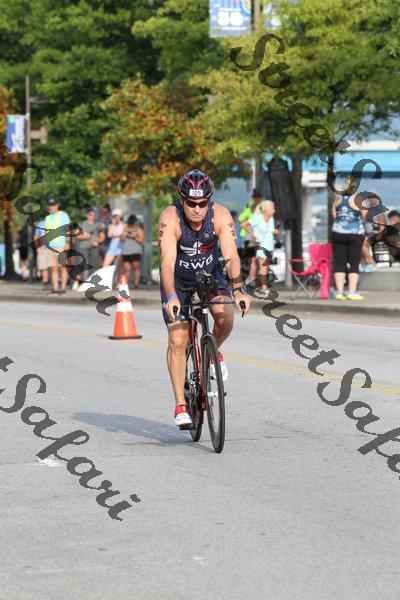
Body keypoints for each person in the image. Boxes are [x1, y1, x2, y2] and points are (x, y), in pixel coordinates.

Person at [158, 169, 251, 427]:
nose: (197, 209)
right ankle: (180, 404)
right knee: (178, 339)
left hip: (210, 275)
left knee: (226, 316)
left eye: (202, 203)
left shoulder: (220, 215)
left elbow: (230, 255)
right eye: (191, 203)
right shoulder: (170, 218)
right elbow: (167, 263)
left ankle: (212, 352)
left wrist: (238, 289)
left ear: (209, 201)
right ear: (182, 200)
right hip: (178, 280)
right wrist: (171, 295)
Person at [331, 182, 365, 301]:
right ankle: (351, 292)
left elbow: (335, 216)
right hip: (354, 234)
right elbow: (365, 216)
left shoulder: (337, 201)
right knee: (354, 263)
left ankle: (339, 293)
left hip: (338, 234)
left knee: (339, 263)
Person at [240, 200, 276, 297]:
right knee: (262, 267)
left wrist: (275, 231)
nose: (274, 211)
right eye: (272, 209)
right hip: (261, 246)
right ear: (267, 209)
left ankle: (258, 286)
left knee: (265, 268)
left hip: (270, 246)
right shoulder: (257, 218)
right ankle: (263, 288)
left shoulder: (271, 219)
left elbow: (270, 231)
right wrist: (253, 235)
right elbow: (243, 224)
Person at [45, 199, 71, 294]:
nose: (51, 206)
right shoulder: (48, 218)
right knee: (53, 268)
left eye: (53, 204)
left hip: (61, 245)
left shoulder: (63, 215)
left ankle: (63, 287)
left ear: (57, 205)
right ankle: (55, 287)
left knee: (62, 267)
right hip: (50, 246)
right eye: (50, 205)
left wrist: (67, 243)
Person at [238, 188, 262, 284]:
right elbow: (241, 218)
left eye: (256, 196)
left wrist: (248, 212)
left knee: (252, 260)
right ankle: (256, 280)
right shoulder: (255, 206)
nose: (256, 198)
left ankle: (253, 279)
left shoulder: (254, 207)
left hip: (252, 237)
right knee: (255, 260)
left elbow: (241, 218)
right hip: (256, 237)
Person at [75, 207, 105, 284]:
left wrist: (97, 242)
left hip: (94, 247)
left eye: (93, 214)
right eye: (90, 214)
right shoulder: (82, 224)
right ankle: (84, 282)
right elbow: (77, 235)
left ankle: (94, 282)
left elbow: (102, 236)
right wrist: (84, 237)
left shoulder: (97, 224)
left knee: (94, 264)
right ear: (87, 215)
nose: (92, 216)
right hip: (83, 247)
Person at [360, 190, 385, 273]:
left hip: (376, 234)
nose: (371, 200)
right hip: (367, 234)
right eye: (370, 198)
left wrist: (380, 235)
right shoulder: (367, 209)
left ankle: (371, 262)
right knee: (357, 241)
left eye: (373, 198)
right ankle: (364, 263)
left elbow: (382, 225)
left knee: (363, 242)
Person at [121, 215, 144, 289]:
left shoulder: (138, 229)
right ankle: (123, 285)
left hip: (135, 252)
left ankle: (136, 284)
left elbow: (141, 240)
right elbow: (122, 239)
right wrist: (124, 233)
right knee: (127, 270)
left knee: (136, 269)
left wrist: (133, 236)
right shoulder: (126, 229)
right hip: (126, 252)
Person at [34, 217, 49, 290]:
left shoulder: (56, 222)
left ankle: (54, 283)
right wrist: (37, 248)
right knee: (43, 266)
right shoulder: (41, 224)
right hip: (43, 249)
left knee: (53, 267)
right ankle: (45, 282)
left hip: (54, 247)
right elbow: (36, 237)